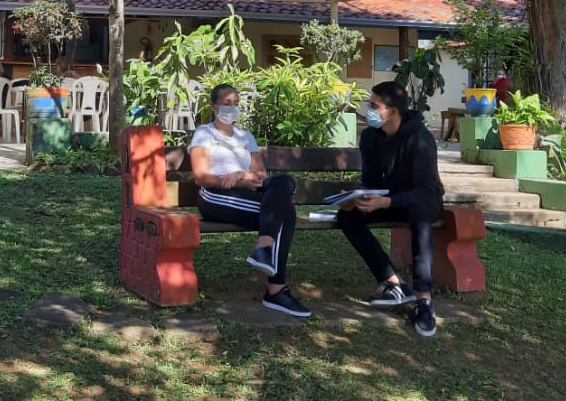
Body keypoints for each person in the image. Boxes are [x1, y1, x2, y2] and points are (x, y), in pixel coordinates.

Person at [190, 84, 311, 318]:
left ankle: (264, 251)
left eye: (235, 104)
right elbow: (200, 177)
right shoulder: (205, 133)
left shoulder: (246, 136)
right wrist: (233, 180)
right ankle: (275, 289)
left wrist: (240, 176)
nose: (232, 108)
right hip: (216, 195)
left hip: (246, 190)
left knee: (284, 181)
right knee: (286, 213)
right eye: (226, 104)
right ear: (213, 106)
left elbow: (260, 175)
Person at [337, 80, 445, 337]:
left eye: (374, 106)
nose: (369, 111)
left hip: (423, 200)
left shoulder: (420, 138)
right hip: (389, 200)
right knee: (347, 216)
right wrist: (359, 197)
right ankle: (393, 283)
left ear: (393, 111)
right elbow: (371, 180)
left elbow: (424, 190)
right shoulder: (370, 137)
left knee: (419, 214)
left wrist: (387, 202)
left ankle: (424, 300)